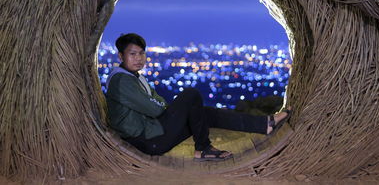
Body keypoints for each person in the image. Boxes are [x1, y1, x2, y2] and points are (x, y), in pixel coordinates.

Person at [106, 33, 291, 161]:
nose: (138, 58)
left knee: (205, 113)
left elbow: (157, 101)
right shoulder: (122, 81)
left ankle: (264, 124)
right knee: (190, 94)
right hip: (148, 141)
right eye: (132, 54)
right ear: (121, 56)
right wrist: (167, 109)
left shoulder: (136, 77)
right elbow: (155, 107)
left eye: (141, 53)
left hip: (153, 133)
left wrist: (165, 108)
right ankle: (202, 148)